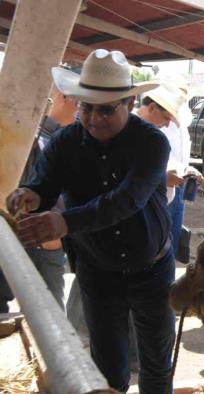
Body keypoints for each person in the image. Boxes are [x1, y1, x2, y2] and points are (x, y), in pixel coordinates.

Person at [5, 49, 174, 393]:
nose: (94, 118)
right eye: (86, 107)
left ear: (130, 102)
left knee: (156, 366)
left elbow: (127, 200)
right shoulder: (64, 142)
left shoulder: (152, 142)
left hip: (153, 270)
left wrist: (64, 223)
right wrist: (29, 195)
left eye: (106, 109)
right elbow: (44, 185)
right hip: (98, 272)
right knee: (108, 369)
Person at [0, 85, 77, 313]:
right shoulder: (38, 140)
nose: (81, 110)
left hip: (45, 238)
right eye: (78, 103)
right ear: (62, 97)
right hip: (39, 239)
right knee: (49, 312)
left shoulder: (63, 139)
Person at [138, 84, 201, 258]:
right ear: (151, 107)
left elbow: (167, 160)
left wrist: (184, 169)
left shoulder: (152, 133)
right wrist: (164, 179)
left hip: (163, 201)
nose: (166, 125)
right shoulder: (130, 132)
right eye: (166, 118)